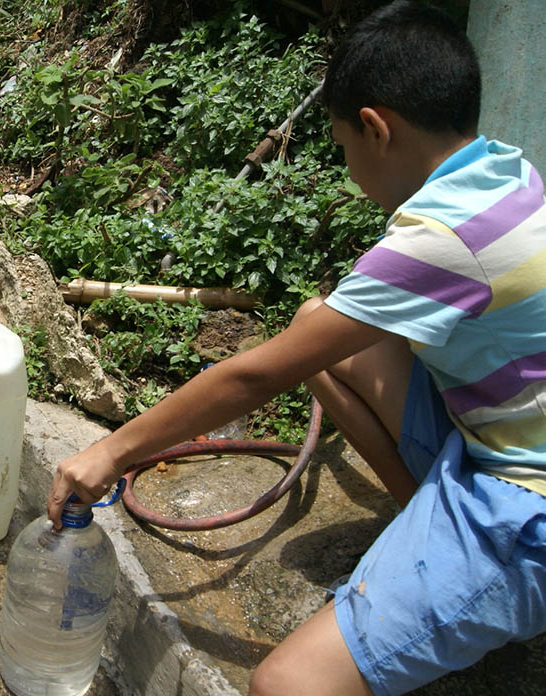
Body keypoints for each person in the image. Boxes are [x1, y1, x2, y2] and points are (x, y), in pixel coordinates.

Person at [46, 2, 546, 694]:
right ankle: (421, 516)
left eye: (343, 148)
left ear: (376, 128)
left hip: (521, 506)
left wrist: (110, 450)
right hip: (499, 436)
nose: (348, 169)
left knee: (283, 685)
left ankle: (463, 559)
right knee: (320, 325)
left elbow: (254, 375)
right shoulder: (506, 172)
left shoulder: (440, 241)